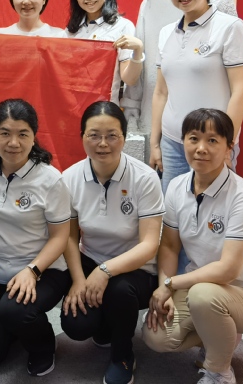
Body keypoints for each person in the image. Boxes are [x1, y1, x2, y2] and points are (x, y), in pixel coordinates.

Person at [143, 109, 243, 384]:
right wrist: (164, 287)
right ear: (183, 141)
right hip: (202, 289)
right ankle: (220, 335)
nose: (201, 148)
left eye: (213, 141)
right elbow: (169, 245)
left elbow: (228, 270)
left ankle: (220, 372)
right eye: (193, 138)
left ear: (229, 147)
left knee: (204, 297)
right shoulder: (176, 187)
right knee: (156, 336)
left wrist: (171, 284)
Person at [60, 101, 164, 384]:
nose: (103, 144)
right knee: (77, 325)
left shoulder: (145, 178)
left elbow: (149, 245)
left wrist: (104, 271)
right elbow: (69, 236)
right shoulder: (69, 178)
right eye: (94, 135)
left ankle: (123, 355)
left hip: (136, 268)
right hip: (91, 259)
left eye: (112, 136)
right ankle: (107, 324)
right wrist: (79, 280)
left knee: (119, 292)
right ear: (82, 136)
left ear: (124, 138)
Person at [0, 99, 70, 376]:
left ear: (34, 136)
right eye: (4, 133)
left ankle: (43, 346)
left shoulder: (50, 179)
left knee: (15, 312)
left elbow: (60, 237)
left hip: (44, 271)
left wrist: (32, 271)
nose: (13, 142)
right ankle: (15, 325)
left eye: (22, 134)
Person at [123, 0, 237, 135]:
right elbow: (141, 56)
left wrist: (230, 129)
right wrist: (132, 104)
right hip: (156, 111)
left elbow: (236, 77)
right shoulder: (151, 1)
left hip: (209, 117)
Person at [149, 0, 243, 195]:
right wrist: (155, 142)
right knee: (173, 209)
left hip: (212, 142)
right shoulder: (166, 33)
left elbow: (241, 91)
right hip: (172, 142)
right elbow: (161, 92)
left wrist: (226, 145)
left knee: (211, 207)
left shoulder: (230, 27)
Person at [64, 0, 145, 103]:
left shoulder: (122, 27)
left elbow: (129, 79)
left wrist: (138, 51)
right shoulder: (70, 31)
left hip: (104, 109)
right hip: (72, 106)